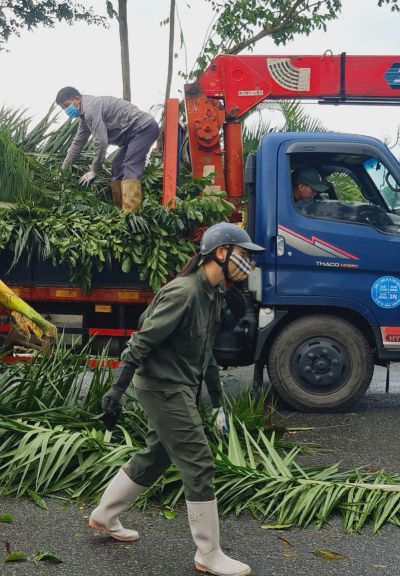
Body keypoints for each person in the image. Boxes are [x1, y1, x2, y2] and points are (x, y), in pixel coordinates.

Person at [88, 222, 264, 576]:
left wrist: (216, 403)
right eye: (243, 255)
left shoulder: (212, 295)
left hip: (181, 386)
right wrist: (116, 389)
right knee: (198, 462)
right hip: (161, 386)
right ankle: (208, 553)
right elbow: (141, 341)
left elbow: (207, 356)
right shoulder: (183, 293)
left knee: (158, 453)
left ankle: (104, 515)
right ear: (220, 252)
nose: (248, 264)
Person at [56, 86, 160, 214]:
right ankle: (119, 209)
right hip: (133, 135)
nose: (66, 110)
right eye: (63, 109)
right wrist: (63, 170)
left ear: (77, 99)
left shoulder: (90, 108)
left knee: (130, 165)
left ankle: (130, 215)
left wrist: (94, 170)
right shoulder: (85, 116)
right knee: (117, 165)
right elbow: (77, 144)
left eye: (66, 105)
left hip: (143, 128)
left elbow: (100, 141)